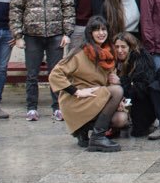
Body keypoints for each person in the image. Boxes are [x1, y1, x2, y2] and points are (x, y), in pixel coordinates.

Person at [9, 0, 75, 122]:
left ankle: (57, 107)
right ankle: (31, 108)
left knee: (56, 74)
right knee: (32, 74)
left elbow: (68, 10)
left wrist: (67, 34)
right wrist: (18, 35)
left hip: (56, 37)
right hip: (32, 37)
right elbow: (15, 12)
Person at [48, 16, 123, 152]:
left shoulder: (108, 53)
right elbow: (55, 74)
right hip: (77, 100)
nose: (101, 33)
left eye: (104, 29)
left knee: (121, 119)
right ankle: (98, 137)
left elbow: (106, 83)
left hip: (96, 97)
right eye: (96, 30)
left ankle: (82, 131)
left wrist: (116, 83)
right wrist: (76, 91)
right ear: (90, 33)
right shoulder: (79, 52)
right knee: (117, 91)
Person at [113, 32, 156, 137]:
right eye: (117, 47)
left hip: (141, 102)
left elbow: (140, 88)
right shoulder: (112, 59)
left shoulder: (141, 59)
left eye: (123, 47)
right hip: (122, 98)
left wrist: (121, 81)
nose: (119, 50)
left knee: (138, 131)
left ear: (130, 47)